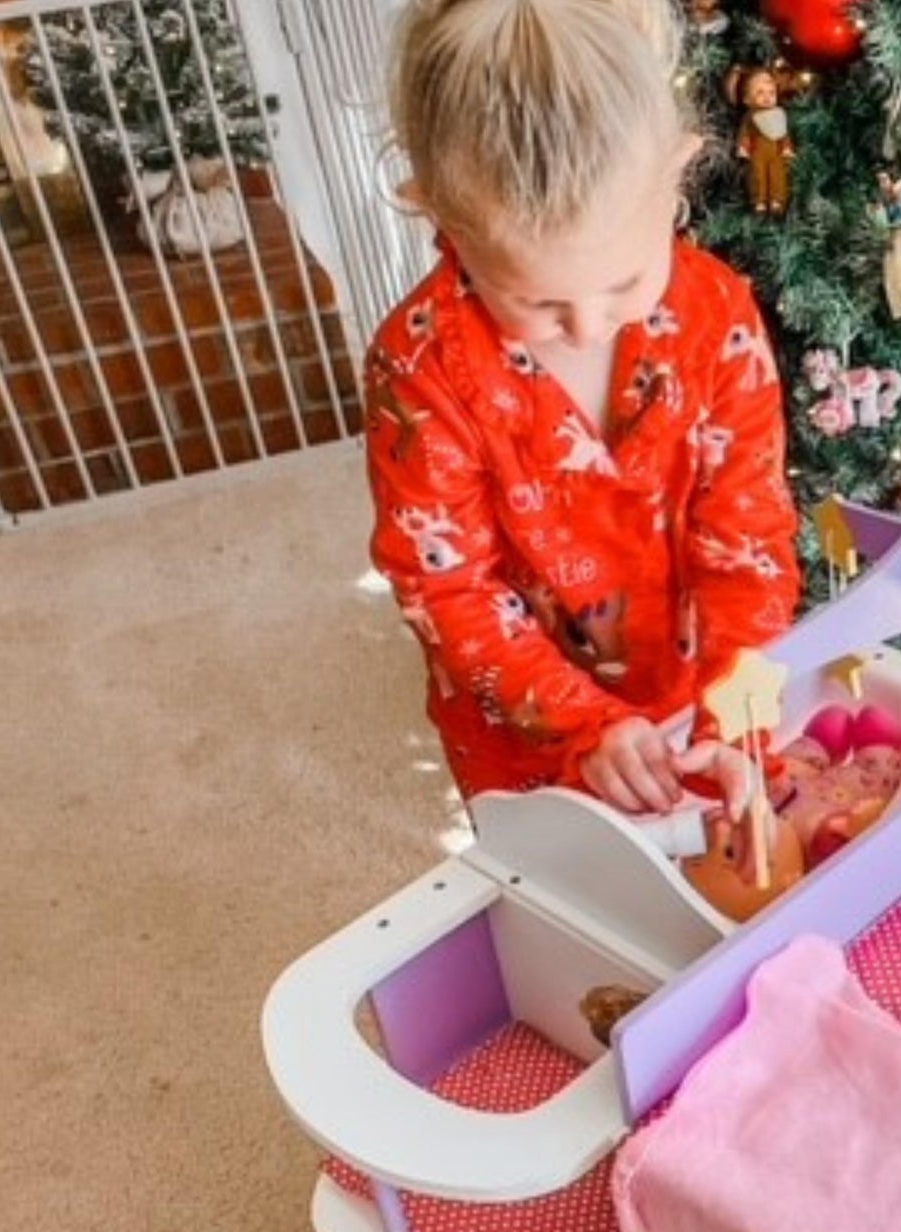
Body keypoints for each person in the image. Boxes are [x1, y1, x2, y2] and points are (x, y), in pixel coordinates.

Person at [366, 0, 800, 821]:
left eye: (627, 284)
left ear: (680, 172)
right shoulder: (420, 364)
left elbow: (748, 550)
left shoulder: (717, 317)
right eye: (537, 301)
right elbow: (448, 586)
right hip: (525, 743)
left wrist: (737, 719)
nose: (590, 326)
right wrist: (584, 723)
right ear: (442, 219)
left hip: (692, 703)